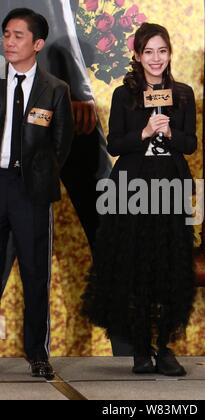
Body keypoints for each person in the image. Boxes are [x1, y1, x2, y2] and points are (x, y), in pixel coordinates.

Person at [81, 23, 197, 376]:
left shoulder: (183, 93)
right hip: (132, 190)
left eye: (162, 51)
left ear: (169, 54)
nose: (156, 58)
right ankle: (140, 350)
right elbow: (115, 144)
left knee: (169, 268)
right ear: (137, 56)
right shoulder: (123, 94)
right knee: (135, 267)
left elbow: (190, 144)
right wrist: (144, 132)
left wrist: (170, 132)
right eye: (149, 52)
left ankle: (165, 348)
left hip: (171, 188)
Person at [0, 0, 112, 299]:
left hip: (45, 89)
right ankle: (132, 339)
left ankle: (132, 339)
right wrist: (80, 89)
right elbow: (59, 18)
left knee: (108, 222)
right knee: (108, 222)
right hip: (56, 94)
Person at [0, 8, 74, 377]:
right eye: (6, 35)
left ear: (38, 44)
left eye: (18, 36)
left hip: (31, 191)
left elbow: (62, 145)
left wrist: (40, 177)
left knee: (35, 276)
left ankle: (38, 355)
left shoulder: (55, 90)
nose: (9, 42)